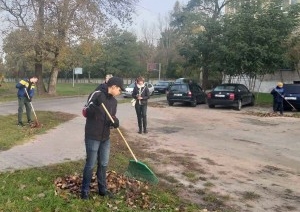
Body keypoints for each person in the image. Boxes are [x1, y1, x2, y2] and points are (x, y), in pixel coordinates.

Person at [81, 76, 125, 199]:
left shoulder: (114, 101)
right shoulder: (96, 95)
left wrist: (115, 122)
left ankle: (102, 190)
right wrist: (95, 105)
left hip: (105, 137)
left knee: (103, 164)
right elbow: (85, 112)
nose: (120, 92)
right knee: (90, 164)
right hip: (92, 136)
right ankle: (84, 191)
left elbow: (111, 117)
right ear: (114, 87)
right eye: (120, 89)